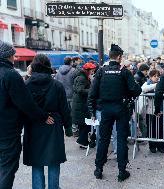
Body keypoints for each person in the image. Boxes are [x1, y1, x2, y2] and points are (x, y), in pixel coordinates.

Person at [0, 41, 53, 189]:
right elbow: (25, 103)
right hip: (7, 132)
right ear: (9, 56)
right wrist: (42, 116)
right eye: (13, 55)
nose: (15, 58)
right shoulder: (10, 74)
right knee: (7, 169)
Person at [88, 44, 141, 182]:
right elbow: (136, 90)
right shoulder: (124, 72)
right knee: (121, 139)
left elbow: (92, 93)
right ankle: (122, 171)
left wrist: (92, 111)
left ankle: (98, 169)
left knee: (103, 140)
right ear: (119, 57)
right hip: (121, 109)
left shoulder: (101, 71)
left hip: (105, 110)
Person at [23, 54, 73, 189]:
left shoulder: (26, 85)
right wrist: (68, 127)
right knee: (53, 161)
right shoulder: (57, 85)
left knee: (37, 162)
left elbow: (23, 107)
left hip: (33, 126)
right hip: (53, 126)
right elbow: (64, 109)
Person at [72, 62, 97, 148]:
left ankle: (83, 141)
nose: (93, 72)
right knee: (85, 124)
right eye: (92, 71)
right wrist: (91, 90)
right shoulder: (82, 78)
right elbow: (80, 90)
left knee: (84, 124)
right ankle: (82, 142)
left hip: (81, 104)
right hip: (81, 105)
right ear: (88, 70)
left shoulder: (83, 77)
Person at [141, 69, 164, 153]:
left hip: (160, 109)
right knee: (151, 128)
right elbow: (143, 89)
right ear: (150, 77)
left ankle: (161, 146)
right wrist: (156, 85)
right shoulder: (147, 83)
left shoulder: (161, 83)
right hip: (150, 110)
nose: (156, 77)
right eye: (154, 76)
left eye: (158, 76)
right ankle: (152, 146)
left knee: (161, 128)